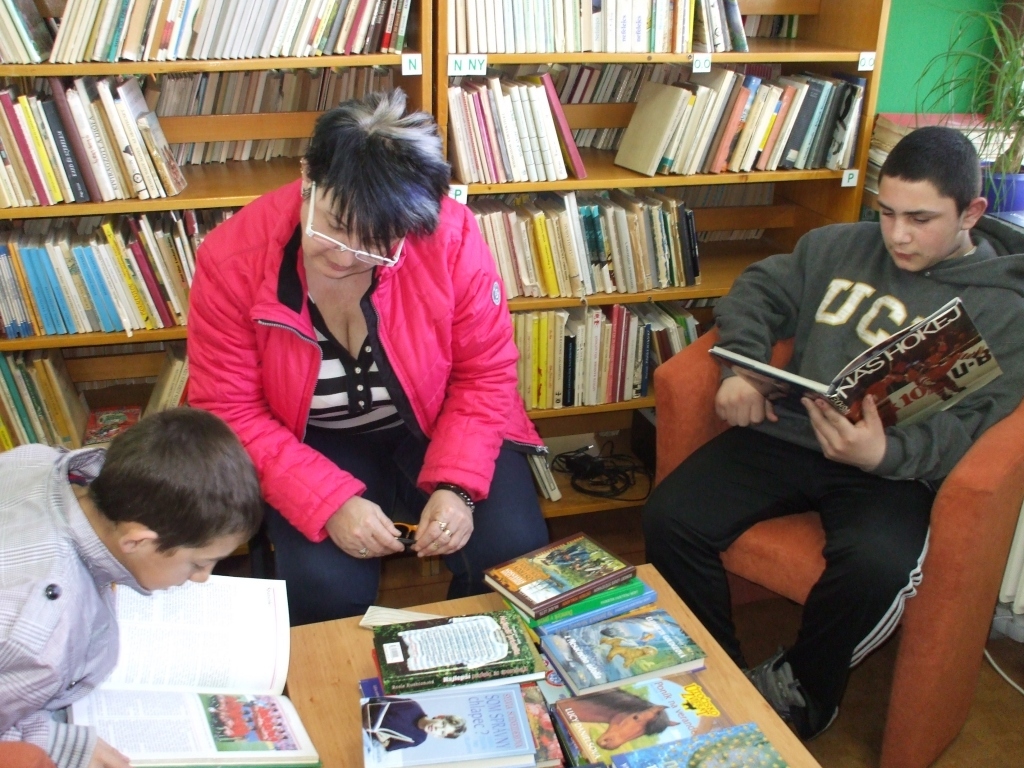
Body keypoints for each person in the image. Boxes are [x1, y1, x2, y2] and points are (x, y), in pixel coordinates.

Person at [643, 126, 1024, 739]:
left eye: (921, 219)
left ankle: (804, 693)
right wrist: (742, 368)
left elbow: (976, 425)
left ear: (971, 213)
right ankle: (722, 673)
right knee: (670, 516)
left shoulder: (1006, 309)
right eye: (887, 212)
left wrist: (884, 453)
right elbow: (759, 288)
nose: (897, 235)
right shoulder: (836, 246)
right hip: (789, 431)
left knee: (877, 564)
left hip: (893, 472)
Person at [187, 88, 549, 626]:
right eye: (334, 225)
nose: (345, 256)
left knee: (513, 555)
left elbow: (485, 374)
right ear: (308, 177)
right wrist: (327, 502)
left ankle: (477, 657)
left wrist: (456, 486)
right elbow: (228, 410)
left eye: (376, 240)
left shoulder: (448, 236)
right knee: (322, 587)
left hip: (439, 421)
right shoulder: (231, 259)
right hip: (310, 438)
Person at [0, 408, 263, 768]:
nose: (203, 577)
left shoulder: (38, 459)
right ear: (136, 541)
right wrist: (56, 743)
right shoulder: (42, 640)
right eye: (199, 564)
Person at [362, 697, 466, 751]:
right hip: (361, 712)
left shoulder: (418, 739)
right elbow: (375, 700)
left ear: (438, 737)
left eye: (442, 732)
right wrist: (367, 718)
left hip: (365, 735)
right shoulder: (412, 706)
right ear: (440, 717)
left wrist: (382, 739)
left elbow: (388, 745)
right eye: (442, 724)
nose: (437, 729)